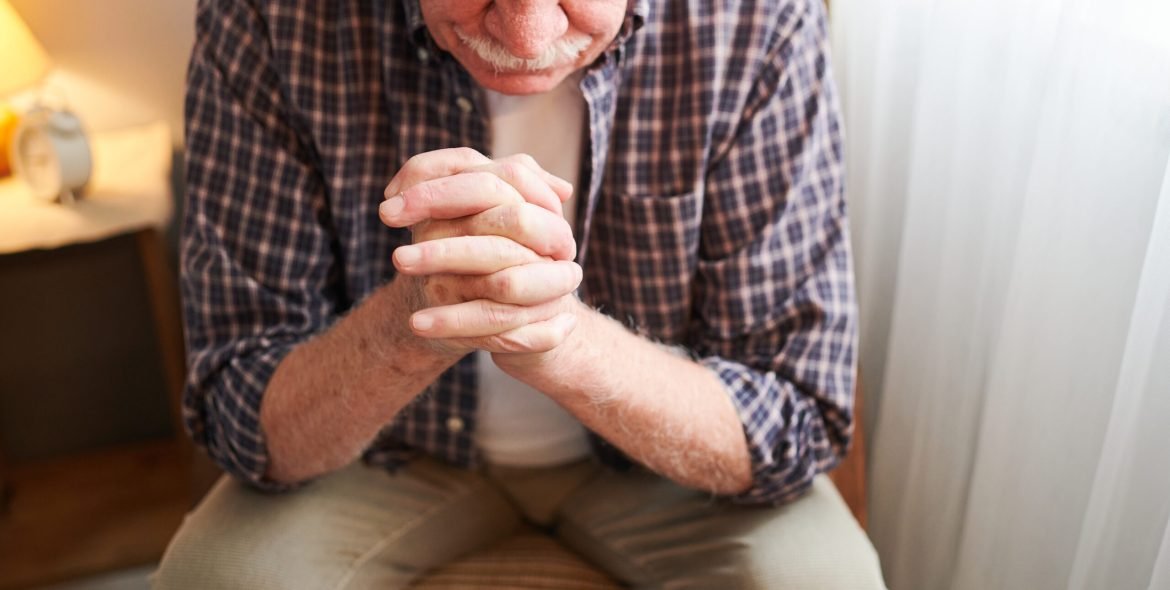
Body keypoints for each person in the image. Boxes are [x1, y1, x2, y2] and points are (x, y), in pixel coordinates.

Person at [154, 0, 885, 587]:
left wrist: (561, 340)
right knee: (212, 579)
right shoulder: (268, 16)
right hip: (386, 460)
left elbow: (798, 415)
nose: (528, 35)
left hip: (661, 473)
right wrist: (414, 321)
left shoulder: (757, 22)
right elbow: (238, 409)